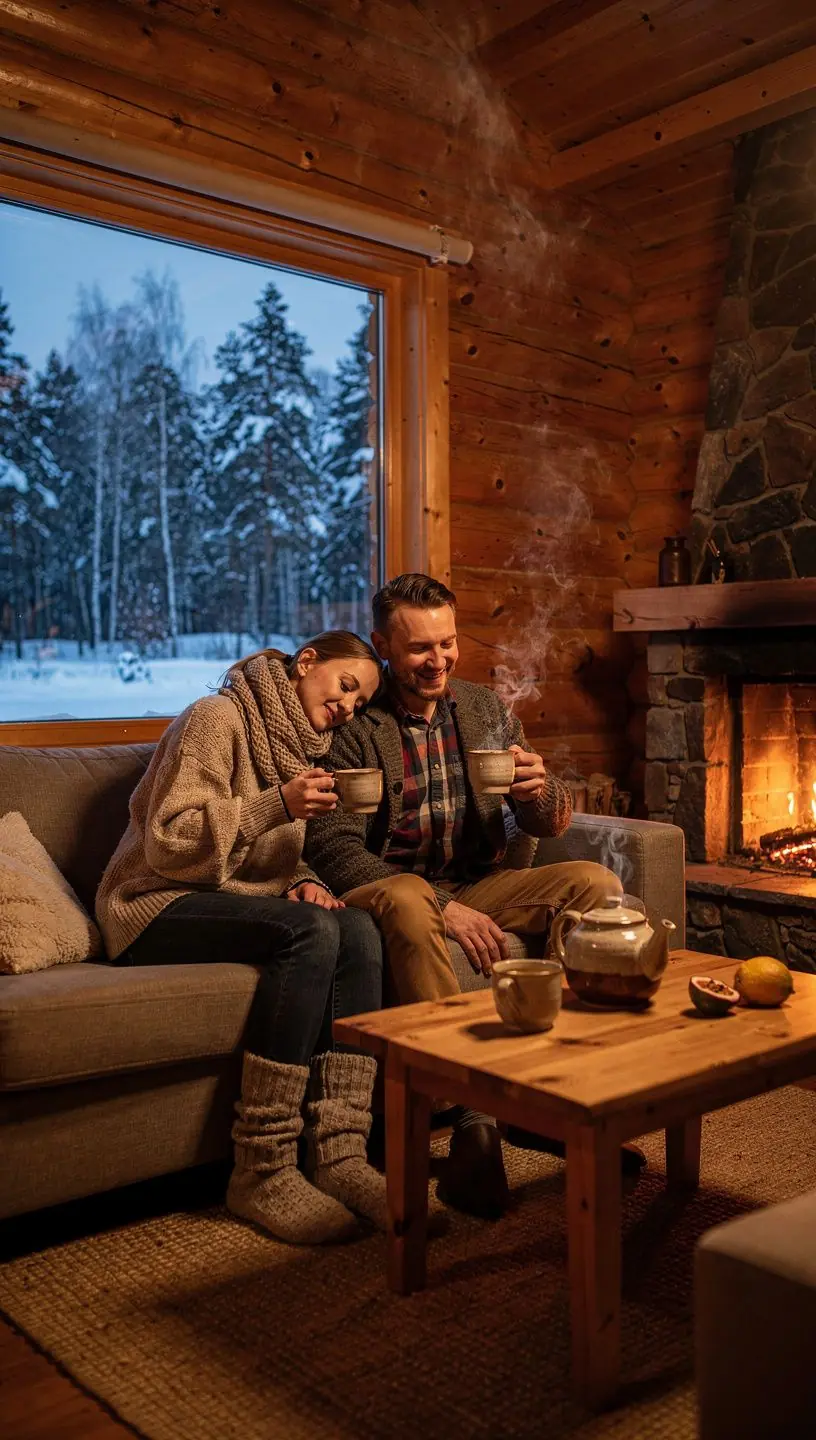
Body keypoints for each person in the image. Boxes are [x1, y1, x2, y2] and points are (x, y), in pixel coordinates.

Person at [305, 576, 623, 1218]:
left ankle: (558, 1095)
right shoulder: (353, 720)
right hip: (392, 888)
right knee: (408, 895)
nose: (439, 660)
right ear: (383, 645)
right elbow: (334, 849)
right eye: (421, 648)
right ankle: (476, 1124)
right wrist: (446, 909)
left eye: (448, 643)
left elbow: (546, 821)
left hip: (479, 880)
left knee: (597, 886)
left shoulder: (482, 708)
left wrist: (538, 792)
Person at [96, 632, 389, 1246]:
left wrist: (304, 879)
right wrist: (276, 805)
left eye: (359, 703)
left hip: (226, 899)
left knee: (357, 926)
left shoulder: (303, 748)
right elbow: (169, 842)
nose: (347, 707)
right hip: (151, 902)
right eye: (346, 687)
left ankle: (340, 1154)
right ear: (306, 661)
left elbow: (275, 858)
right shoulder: (216, 719)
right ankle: (262, 1168)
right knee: (309, 934)